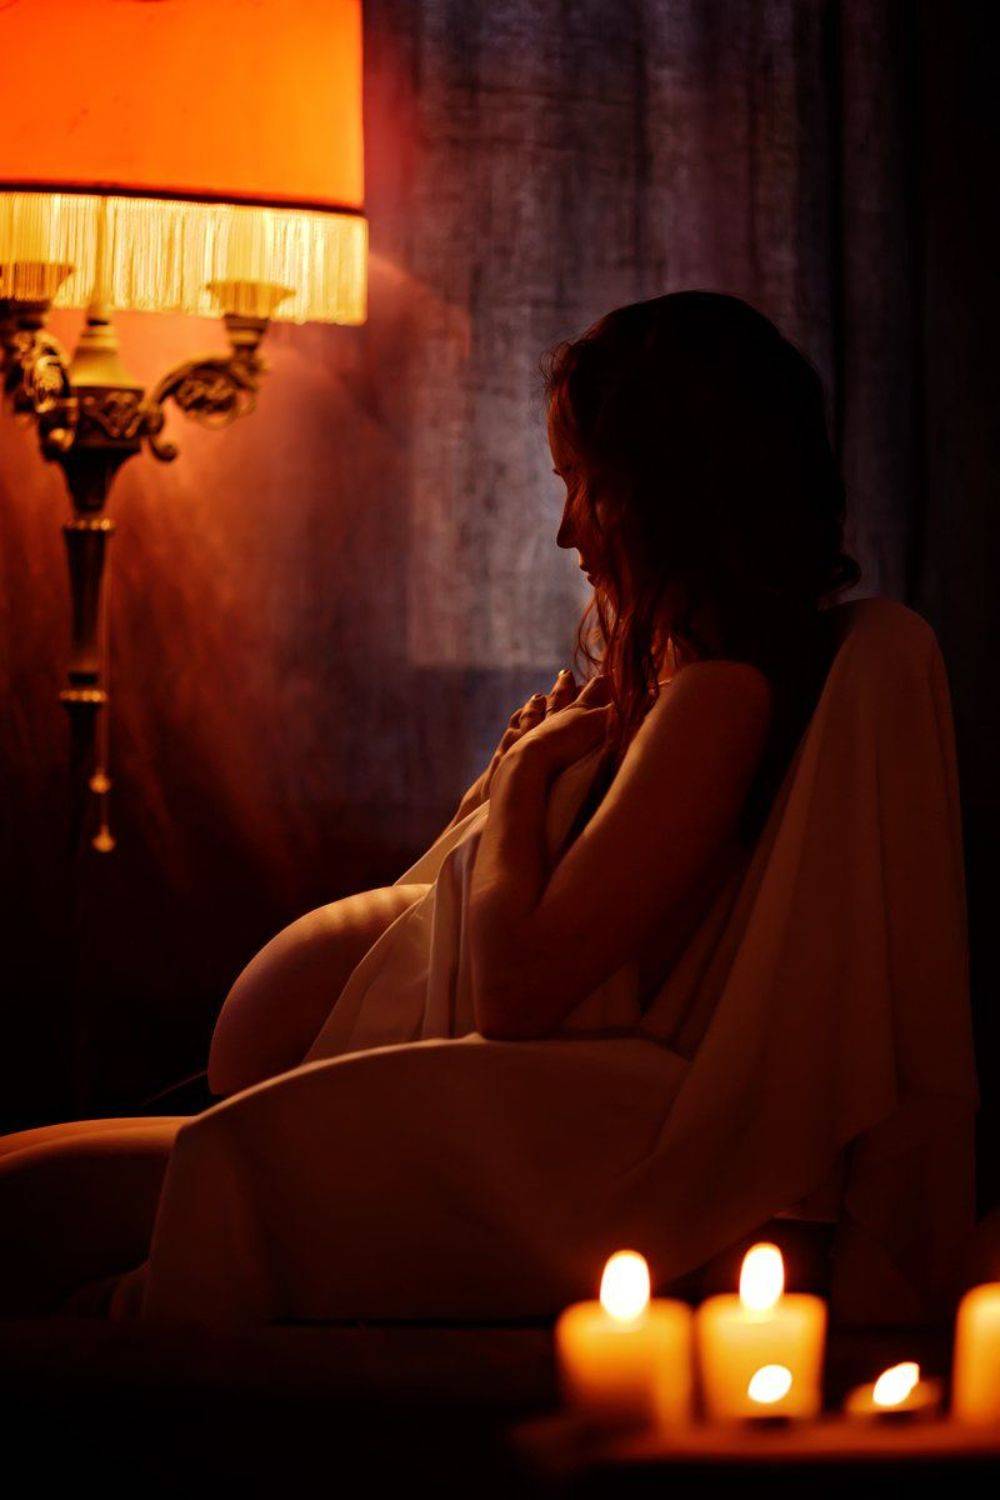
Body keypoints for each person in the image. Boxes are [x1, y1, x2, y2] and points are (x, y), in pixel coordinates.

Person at [0, 292, 859, 1314]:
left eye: (584, 486)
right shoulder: (677, 686)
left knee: (24, 1210)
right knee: (22, 1173)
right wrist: (506, 782)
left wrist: (525, 778)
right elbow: (483, 892)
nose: (564, 531)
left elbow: (517, 990)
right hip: (348, 1091)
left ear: (668, 488)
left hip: (451, 1138)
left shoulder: (719, 699)